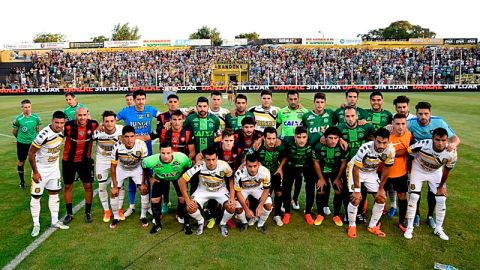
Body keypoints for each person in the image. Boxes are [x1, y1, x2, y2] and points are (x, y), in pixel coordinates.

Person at [407, 101, 460, 228]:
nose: (423, 117)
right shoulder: (411, 123)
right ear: (416, 114)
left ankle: (430, 215)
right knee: (415, 191)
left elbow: (455, 138)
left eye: (426, 113)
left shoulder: (439, 122)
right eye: (420, 114)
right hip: (419, 160)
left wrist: (453, 145)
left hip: (435, 161)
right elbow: (399, 128)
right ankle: (417, 215)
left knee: (434, 191)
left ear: (430, 113)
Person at [404, 128, 457, 241]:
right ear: (432, 138)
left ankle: (438, 228)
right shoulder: (423, 144)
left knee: (441, 199)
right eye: (437, 140)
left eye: (443, 140)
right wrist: (409, 171)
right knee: (413, 196)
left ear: (446, 139)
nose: (440, 143)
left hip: (435, 172)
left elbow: (446, 171)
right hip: (418, 170)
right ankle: (409, 227)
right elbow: (408, 152)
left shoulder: (451, 153)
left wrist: (441, 186)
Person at [345, 128, 395, 238]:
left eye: (384, 142)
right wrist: (357, 190)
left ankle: (372, 226)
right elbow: (356, 169)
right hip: (355, 169)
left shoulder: (391, 151)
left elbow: (387, 168)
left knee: (381, 198)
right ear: (374, 140)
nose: (381, 145)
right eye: (378, 142)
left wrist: (381, 188)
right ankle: (352, 225)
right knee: (356, 198)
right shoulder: (365, 148)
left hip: (371, 172)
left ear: (388, 141)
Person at [116, 90, 159, 217]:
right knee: (131, 179)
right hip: (130, 151)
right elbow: (113, 120)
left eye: (142, 99)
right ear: (134, 100)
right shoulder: (126, 111)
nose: (140, 102)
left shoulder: (151, 110)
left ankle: (150, 206)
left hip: (147, 150)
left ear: (145, 99)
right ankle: (132, 206)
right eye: (138, 99)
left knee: (149, 177)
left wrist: (166, 122)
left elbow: (163, 116)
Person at [178, 147, 235, 237]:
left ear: (217, 158)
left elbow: (231, 178)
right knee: (190, 208)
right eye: (208, 160)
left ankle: (223, 223)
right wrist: (187, 200)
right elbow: (181, 180)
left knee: (231, 207)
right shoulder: (199, 166)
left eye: (213, 159)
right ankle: (201, 221)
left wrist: (232, 196)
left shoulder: (224, 165)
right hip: (203, 191)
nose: (211, 162)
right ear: (204, 159)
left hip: (220, 190)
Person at [28, 111, 69, 237]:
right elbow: (31, 153)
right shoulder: (43, 135)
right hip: (41, 169)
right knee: (36, 197)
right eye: (56, 122)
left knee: (54, 194)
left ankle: (55, 221)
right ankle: (36, 224)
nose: (59, 125)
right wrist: (35, 172)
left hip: (54, 169)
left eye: (62, 123)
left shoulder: (63, 130)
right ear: (52, 121)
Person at [142, 142, 192, 234]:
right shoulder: (151, 160)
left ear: (172, 152)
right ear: (159, 152)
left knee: (182, 199)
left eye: (168, 153)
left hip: (177, 178)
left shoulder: (182, 158)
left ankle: (180, 215)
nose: (165, 156)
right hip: (160, 179)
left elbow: (188, 166)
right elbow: (144, 165)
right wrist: (150, 178)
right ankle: (157, 223)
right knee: (155, 200)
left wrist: (183, 177)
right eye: (163, 153)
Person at [277, 126, 323, 225]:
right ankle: (287, 212)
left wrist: (340, 140)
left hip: (307, 166)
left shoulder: (314, 137)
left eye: (304, 137)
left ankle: (307, 213)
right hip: (291, 166)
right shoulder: (287, 138)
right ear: (294, 137)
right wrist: (261, 139)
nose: (301, 140)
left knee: (310, 188)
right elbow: (274, 135)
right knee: (286, 188)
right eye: (298, 137)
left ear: (307, 136)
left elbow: (327, 133)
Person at [62, 107, 99, 225]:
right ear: (75, 116)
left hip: (85, 161)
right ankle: (69, 214)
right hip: (68, 161)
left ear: (88, 115)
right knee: (68, 186)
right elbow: (57, 136)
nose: (82, 117)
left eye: (84, 115)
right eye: (80, 115)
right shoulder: (68, 126)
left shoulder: (93, 125)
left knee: (88, 186)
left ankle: (88, 213)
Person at [109, 125, 149, 229]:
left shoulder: (141, 145)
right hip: (121, 169)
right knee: (113, 193)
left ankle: (143, 216)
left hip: (137, 169)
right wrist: (114, 185)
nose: (129, 139)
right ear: (122, 137)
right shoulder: (116, 146)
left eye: (132, 136)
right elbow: (113, 167)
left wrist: (143, 182)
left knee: (144, 190)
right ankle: (116, 217)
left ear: (135, 136)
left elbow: (144, 165)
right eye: (126, 137)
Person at [248, 127, 287, 226]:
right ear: (264, 138)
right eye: (269, 138)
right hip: (261, 175)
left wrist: (280, 168)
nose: (271, 141)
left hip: (275, 173)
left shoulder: (280, 145)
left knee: (278, 193)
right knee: (259, 195)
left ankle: (277, 215)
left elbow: (286, 156)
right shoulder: (257, 146)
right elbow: (248, 158)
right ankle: (255, 215)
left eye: (273, 138)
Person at [276, 91, 308, 210]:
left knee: (299, 176)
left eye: (295, 99)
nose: (293, 101)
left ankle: (295, 199)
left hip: (300, 147)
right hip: (286, 147)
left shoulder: (304, 112)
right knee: (286, 176)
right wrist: (278, 138)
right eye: (291, 99)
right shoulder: (282, 112)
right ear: (287, 99)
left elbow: (308, 128)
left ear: (299, 99)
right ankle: (286, 200)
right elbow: (275, 126)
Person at [311, 126, 348, 226]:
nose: (333, 141)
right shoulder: (318, 146)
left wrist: (338, 178)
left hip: (335, 171)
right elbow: (316, 163)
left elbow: (343, 163)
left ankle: (336, 215)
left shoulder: (342, 147)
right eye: (330, 138)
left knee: (339, 189)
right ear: (325, 138)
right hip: (321, 171)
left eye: (336, 138)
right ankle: (320, 214)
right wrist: (321, 178)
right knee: (320, 189)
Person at [92, 111, 123, 223]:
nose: (109, 124)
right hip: (102, 161)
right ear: (103, 122)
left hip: (117, 161)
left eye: (111, 121)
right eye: (106, 121)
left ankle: (119, 209)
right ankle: (107, 211)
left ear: (115, 121)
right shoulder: (98, 132)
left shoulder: (121, 130)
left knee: (119, 186)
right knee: (102, 186)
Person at [384, 114, 414, 230]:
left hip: (401, 172)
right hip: (384, 171)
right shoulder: (386, 133)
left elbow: (412, 151)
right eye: (397, 124)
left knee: (402, 195)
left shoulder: (410, 135)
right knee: (381, 196)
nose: (400, 127)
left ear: (406, 124)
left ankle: (402, 221)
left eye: (403, 124)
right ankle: (377, 221)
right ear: (392, 123)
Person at [234, 154, 272, 233]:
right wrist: (246, 209)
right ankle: (244, 223)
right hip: (243, 190)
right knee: (238, 209)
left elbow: (266, 189)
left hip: (258, 188)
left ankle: (260, 224)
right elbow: (238, 192)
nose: (252, 169)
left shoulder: (265, 172)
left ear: (259, 164)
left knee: (268, 205)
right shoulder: (239, 173)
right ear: (245, 165)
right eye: (250, 166)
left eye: (255, 166)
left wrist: (260, 205)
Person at [12, 99, 41, 189]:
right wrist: (20, 139)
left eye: (29, 107)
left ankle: (38, 178)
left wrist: (35, 139)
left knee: (37, 161)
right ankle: (22, 182)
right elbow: (14, 131)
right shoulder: (18, 119)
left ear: (31, 107)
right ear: (22, 108)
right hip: (22, 144)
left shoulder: (36, 117)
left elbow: (37, 129)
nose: (27, 109)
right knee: (21, 162)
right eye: (25, 107)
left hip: (33, 144)